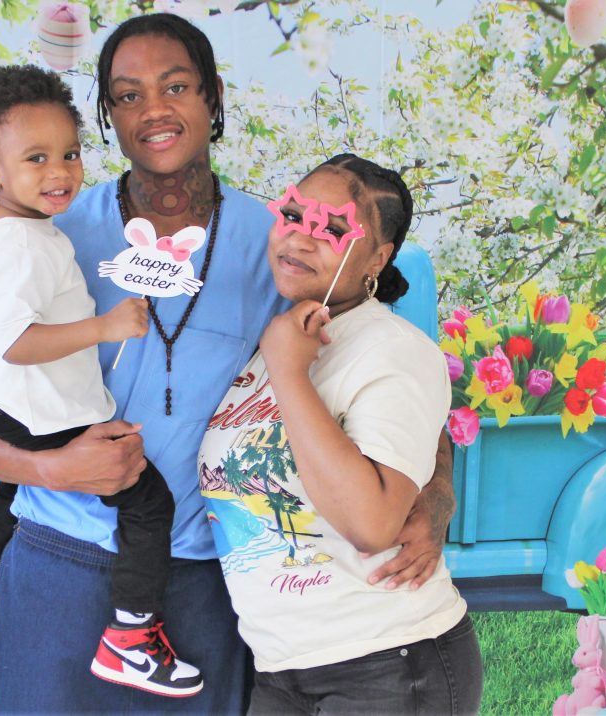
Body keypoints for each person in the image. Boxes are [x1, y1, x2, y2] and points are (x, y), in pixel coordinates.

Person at [0, 13, 455, 714]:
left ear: (213, 98)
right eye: (127, 94)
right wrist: (50, 469)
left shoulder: (281, 239)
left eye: (175, 85)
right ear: (108, 117)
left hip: (202, 586)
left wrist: (433, 497)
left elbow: (391, 377)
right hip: (59, 567)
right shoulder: (46, 233)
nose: (153, 108)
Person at [0, 63, 203, 697]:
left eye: (70, 154)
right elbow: (13, 343)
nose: (59, 172)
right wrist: (104, 328)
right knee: (148, 503)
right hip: (48, 413)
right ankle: (131, 635)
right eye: (36, 158)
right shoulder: (25, 248)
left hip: (10, 409)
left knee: (12, 479)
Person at [198, 154, 482, 715]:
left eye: (331, 229)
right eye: (294, 215)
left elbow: (372, 524)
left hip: (388, 665)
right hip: (281, 667)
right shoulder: (281, 333)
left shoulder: (388, 349)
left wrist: (287, 372)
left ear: (378, 257)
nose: (303, 238)